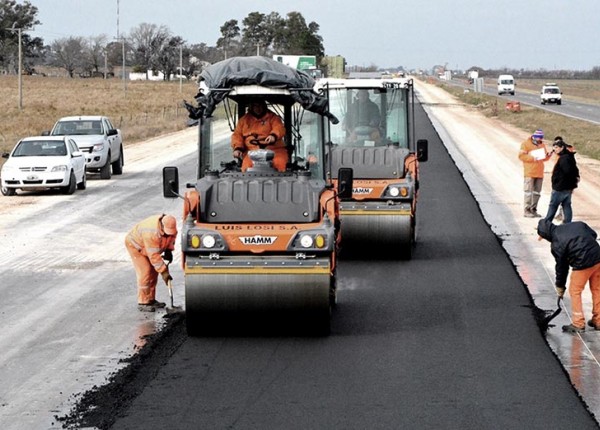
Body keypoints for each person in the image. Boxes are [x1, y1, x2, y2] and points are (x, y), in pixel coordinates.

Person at [537, 219, 600, 333]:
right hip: (598, 257)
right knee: (597, 289)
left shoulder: (556, 245)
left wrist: (560, 286)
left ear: (546, 235)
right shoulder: (576, 224)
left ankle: (578, 323)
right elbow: (593, 234)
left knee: (575, 291)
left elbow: (562, 268)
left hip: (582, 264)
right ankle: (598, 320)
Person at [125, 214, 177, 312]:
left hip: (149, 248)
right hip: (135, 246)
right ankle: (143, 302)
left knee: (153, 272)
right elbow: (154, 257)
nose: (169, 234)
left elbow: (171, 238)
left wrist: (169, 250)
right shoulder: (151, 232)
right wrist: (164, 272)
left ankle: (151, 300)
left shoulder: (171, 228)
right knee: (146, 271)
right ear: (162, 225)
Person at [231, 100, 287, 172]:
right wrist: (238, 148)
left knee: (279, 163)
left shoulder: (273, 117)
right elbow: (237, 135)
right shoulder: (243, 120)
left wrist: (273, 136)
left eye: (260, 105)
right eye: (255, 106)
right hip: (251, 152)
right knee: (247, 166)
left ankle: (280, 182)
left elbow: (279, 127)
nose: (258, 108)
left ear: (264, 106)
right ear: (251, 107)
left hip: (274, 150)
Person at [544, 137, 579, 223]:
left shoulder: (564, 158)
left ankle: (546, 225)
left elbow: (567, 172)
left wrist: (557, 182)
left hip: (560, 188)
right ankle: (567, 224)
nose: (554, 149)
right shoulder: (570, 157)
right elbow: (575, 171)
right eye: (554, 147)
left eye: (556, 147)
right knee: (567, 205)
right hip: (568, 187)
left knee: (553, 206)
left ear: (562, 147)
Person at [518, 129, 551, 218]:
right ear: (534, 137)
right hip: (529, 172)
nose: (540, 140)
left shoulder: (542, 145)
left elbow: (543, 158)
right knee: (528, 192)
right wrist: (533, 158)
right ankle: (527, 210)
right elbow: (521, 156)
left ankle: (533, 209)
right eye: (538, 138)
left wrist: (548, 156)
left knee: (537, 193)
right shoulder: (526, 144)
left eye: (541, 138)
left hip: (539, 172)